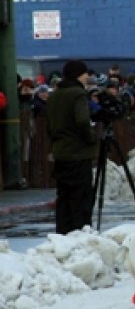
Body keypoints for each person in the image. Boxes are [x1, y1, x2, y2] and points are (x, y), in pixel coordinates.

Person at [46, 60, 99, 234]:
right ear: (78, 74)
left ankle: (63, 233)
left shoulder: (54, 95)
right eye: (85, 74)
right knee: (81, 197)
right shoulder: (78, 94)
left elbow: (49, 124)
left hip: (61, 153)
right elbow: (83, 121)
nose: (87, 77)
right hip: (78, 153)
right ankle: (80, 233)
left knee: (64, 197)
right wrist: (91, 138)